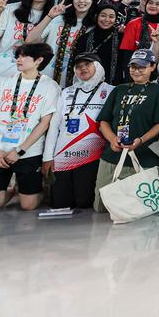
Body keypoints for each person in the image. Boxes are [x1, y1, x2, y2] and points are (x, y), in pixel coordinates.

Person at [0, 43, 61, 213]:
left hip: (28, 152)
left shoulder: (50, 86)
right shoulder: (3, 82)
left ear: (39, 60)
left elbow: (44, 123)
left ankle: (31, 189)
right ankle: (13, 190)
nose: (19, 59)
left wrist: (20, 150)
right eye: (18, 55)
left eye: (24, 56)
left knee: (28, 206)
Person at [92, 48, 159, 213]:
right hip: (112, 157)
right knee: (102, 207)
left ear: (152, 67)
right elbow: (103, 121)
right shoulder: (119, 89)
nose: (136, 70)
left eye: (142, 66)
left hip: (143, 157)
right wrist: (113, 139)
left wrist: (141, 140)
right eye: (133, 66)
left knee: (140, 209)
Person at [41, 53, 113, 210]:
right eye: (79, 66)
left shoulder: (111, 91)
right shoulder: (66, 92)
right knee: (60, 203)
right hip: (62, 155)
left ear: (98, 67)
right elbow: (54, 126)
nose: (83, 68)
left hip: (91, 155)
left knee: (84, 202)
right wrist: (47, 157)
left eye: (87, 64)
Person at [26, 0, 95, 86]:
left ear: (92, 1)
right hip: (46, 78)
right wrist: (50, 16)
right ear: (72, 0)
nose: (81, 1)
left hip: (76, 82)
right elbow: (29, 41)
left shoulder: (93, 26)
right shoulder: (58, 19)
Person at [72, 4, 125, 85]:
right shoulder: (84, 39)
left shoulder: (121, 38)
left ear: (115, 19)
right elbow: (77, 62)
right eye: (103, 16)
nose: (107, 20)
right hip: (86, 84)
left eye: (111, 17)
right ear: (97, 16)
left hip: (112, 85)